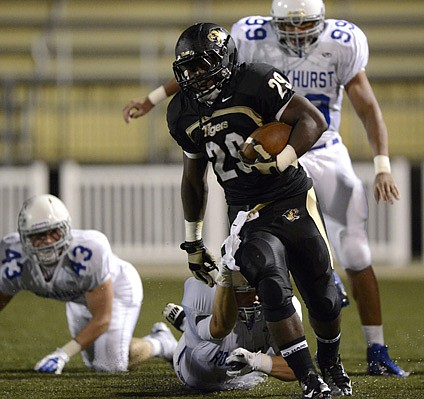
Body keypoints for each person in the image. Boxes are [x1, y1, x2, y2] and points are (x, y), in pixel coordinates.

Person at [122, 0, 405, 377]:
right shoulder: (240, 47)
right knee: (262, 266)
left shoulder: (332, 46)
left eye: (305, 25)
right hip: (257, 162)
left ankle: (375, 345)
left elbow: (354, 110)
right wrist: (153, 99)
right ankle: (287, 306)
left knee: (352, 247)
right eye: (288, 24)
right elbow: (201, 73)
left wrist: (381, 165)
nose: (297, 33)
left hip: (317, 144)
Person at [166, 22, 350, 398]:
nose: (196, 76)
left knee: (323, 296)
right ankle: (310, 381)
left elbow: (312, 120)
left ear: (226, 59)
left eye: (203, 65)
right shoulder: (182, 111)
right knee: (270, 284)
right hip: (246, 212)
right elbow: (193, 179)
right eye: (188, 69)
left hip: (292, 196)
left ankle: (330, 362)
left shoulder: (257, 81)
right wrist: (193, 240)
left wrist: (281, 159)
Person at [0, 194, 177, 374]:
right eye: (38, 235)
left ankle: (161, 343)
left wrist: (63, 353)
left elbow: (102, 319)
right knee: (95, 362)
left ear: (66, 229)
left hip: (117, 288)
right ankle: (132, 345)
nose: (47, 241)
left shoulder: (89, 249)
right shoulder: (12, 256)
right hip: (80, 298)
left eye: (54, 232)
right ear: (24, 237)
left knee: (110, 365)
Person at [163, 273, 301, 391]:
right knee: (201, 338)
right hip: (195, 375)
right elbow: (219, 329)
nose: (255, 297)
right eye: (246, 291)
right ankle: (187, 325)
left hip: (246, 378)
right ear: (230, 290)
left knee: (284, 346)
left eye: (257, 289)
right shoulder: (206, 296)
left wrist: (257, 361)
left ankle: (189, 323)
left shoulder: (279, 304)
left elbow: (298, 366)